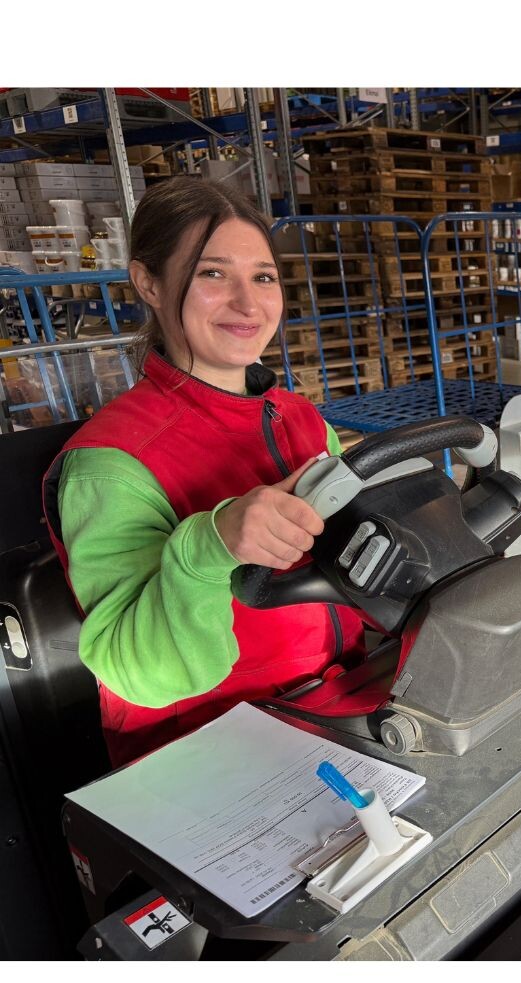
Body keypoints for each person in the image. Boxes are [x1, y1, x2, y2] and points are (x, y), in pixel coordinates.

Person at [42, 178, 365, 766]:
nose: (248, 303)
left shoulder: (299, 419)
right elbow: (140, 673)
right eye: (213, 274)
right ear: (149, 283)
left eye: (263, 277)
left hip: (334, 706)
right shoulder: (112, 463)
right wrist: (209, 548)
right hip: (205, 750)